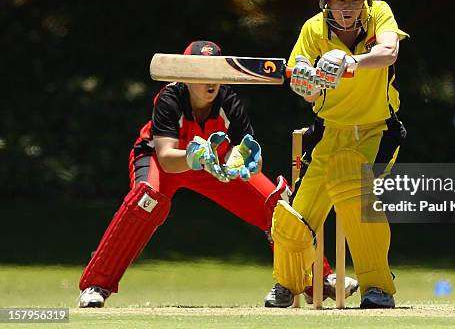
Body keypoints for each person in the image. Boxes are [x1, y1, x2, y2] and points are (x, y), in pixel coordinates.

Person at [78, 40, 356, 307]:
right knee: (145, 200)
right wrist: (194, 157)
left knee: (277, 204)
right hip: (165, 161)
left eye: (216, 72)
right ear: (185, 74)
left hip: (212, 165)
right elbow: (165, 157)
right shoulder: (170, 98)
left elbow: (248, 157)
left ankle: (318, 279)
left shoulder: (229, 101)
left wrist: (244, 160)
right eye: (201, 72)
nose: (210, 81)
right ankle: (96, 285)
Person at [264, 0, 408, 309]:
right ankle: (289, 284)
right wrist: (306, 80)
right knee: (292, 218)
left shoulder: (380, 15)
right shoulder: (313, 31)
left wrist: (350, 63)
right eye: (339, 1)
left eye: (355, 0)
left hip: (377, 130)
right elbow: (305, 86)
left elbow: (389, 52)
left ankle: (378, 288)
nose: (347, 9)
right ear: (325, 1)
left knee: (351, 185)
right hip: (329, 131)